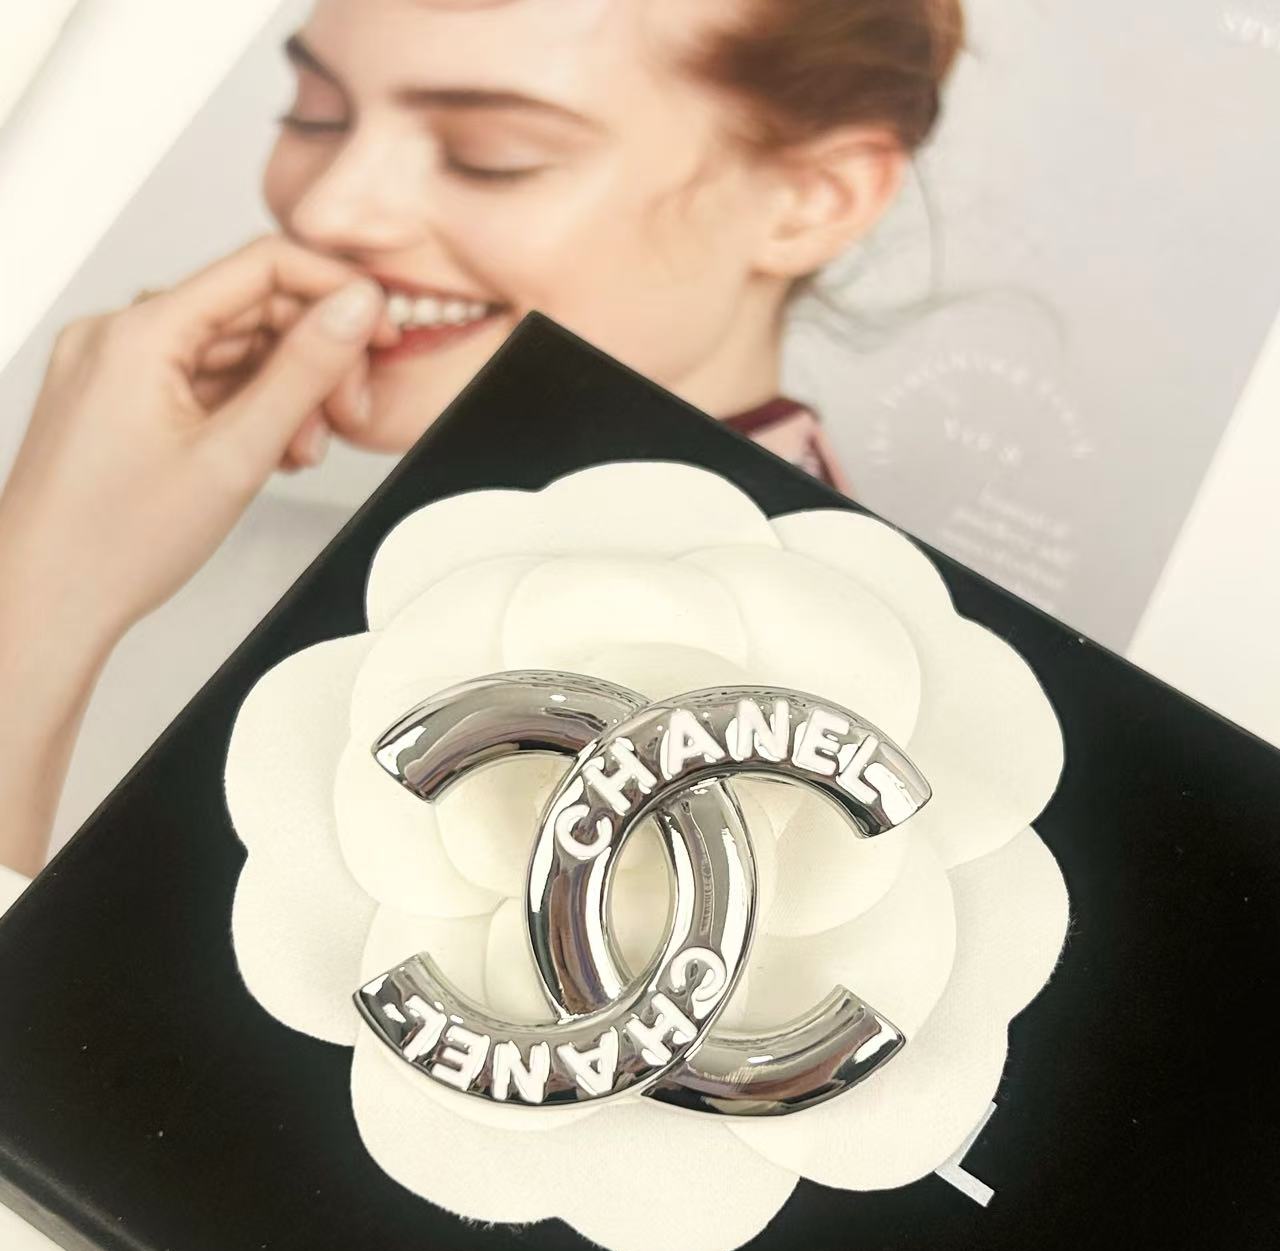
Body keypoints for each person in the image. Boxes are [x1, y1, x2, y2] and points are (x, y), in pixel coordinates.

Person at [0, 0, 962, 882]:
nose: (329, 208)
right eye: (315, 115)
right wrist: (44, 591)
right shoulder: (179, 574)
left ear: (815, 199)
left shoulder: (890, 750)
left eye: (489, 155)